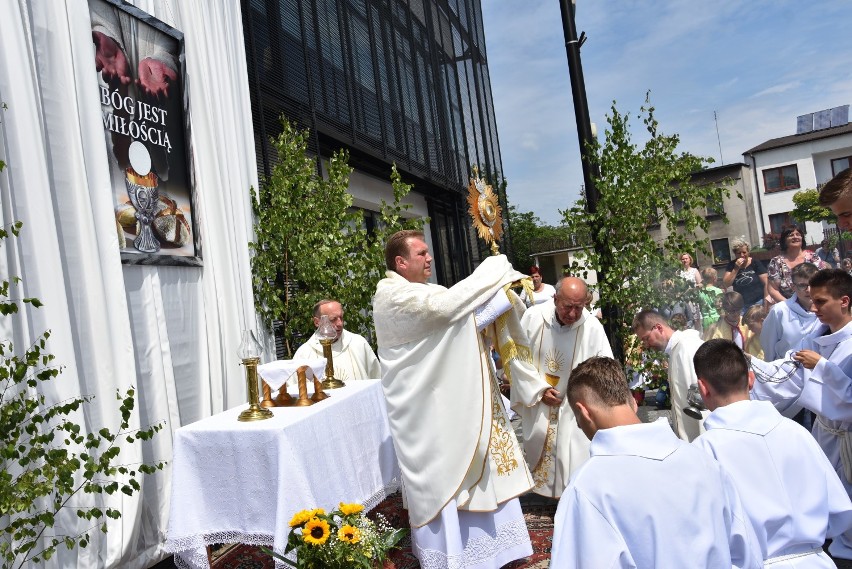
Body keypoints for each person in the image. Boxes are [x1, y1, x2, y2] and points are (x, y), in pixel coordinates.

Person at [372, 230, 534, 568]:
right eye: (421, 254)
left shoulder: (428, 290)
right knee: (442, 473)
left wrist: (502, 299)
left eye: (429, 252)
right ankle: (452, 555)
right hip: (425, 410)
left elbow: (461, 324)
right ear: (401, 263)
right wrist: (494, 269)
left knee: (476, 457)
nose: (429, 258)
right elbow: (446, 311)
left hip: (447, 399)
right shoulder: (392, 297)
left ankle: (495, 551)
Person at [550, 356, 761, 569]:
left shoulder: (587, 486)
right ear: (633, 401)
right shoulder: (704, 461)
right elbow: (746, 554)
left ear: (583, 412)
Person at [693, 339, 852, 567]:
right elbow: (839, 510)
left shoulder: (705, 449)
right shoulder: (797, 432)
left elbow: (706, 531)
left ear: (703, 388)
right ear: (751, 379)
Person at [750, 269, 852, 560]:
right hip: (826, 434)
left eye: (820, 302)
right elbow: (784, 373)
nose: (812, 308)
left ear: (844, 301)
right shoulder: (813, 339)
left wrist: (822, 367)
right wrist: (746, 368)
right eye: (812, 300)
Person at [512, 276, 613, 498]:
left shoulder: (592, 326)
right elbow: (518, 359)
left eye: (579, 308)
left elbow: (605, 366)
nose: (573, 314)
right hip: (540, 400)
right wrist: (538, 389)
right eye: (568, 307)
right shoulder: (533, 317)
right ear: (555, 298)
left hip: (574, 403)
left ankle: (573, 496)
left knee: (575, 451)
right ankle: (548, 493)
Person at [633, 309, 706, 441]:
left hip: (699, 439)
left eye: (646, 338)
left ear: (659, 328)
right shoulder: (676, 349)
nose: (646, 345)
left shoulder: (687, 348)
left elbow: (701, 399)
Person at [292, 299, 381, 381]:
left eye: (341, 318)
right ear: (317, 322)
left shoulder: (359, 343)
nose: (340, 323)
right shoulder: (304, 354)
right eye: (333, 319)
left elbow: (378, 378)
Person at [760, 262, 820, 361]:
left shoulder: (827, 310)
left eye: (813, 284)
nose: (809, 290)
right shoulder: (780, 311)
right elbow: (768, 346)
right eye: (802, 286)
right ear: (793, 286)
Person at [767, 226, 827, 304]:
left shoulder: (813, 257)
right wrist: (791, 305)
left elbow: (824, 281)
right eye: (791, 235)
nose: (795, 237)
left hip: (814, 304)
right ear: (784, 240)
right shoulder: (776, 262)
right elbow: (773, 289)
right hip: (789, 308)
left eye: (798, 234)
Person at [704, 292, 763, 358]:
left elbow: (759, 348)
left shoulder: (748, 325)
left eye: (738, 310)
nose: (735, 314)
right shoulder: (716, 330)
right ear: (725, 310)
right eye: (731, 311)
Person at [723, 237, 768, 312]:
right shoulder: (732, 265)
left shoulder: (755, 263)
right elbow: (726, 284)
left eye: (744, 252)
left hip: (758, 301)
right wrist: (736, 269)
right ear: (735, 254)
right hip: (741, 304)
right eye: (739, 253)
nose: (742, 255)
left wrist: (766, 299)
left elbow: (766, 282)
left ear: (748, 252)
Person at [679, 252, 703, 331]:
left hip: (693, 299)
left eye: (686, 258)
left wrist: (692, 288)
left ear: (690, 260)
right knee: (686, 321)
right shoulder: (678, 272)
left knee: (696, 320)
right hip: (683, 300)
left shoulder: (694, 271)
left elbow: (701, 284)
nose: (684, 260)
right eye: (683, 259)